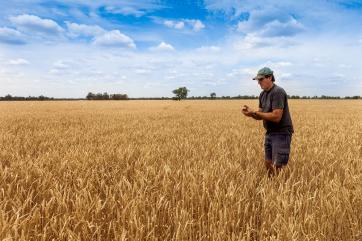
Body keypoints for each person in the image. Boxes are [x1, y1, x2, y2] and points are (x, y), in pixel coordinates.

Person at [241, 67, 294, 176]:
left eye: (261, 80)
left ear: (269, 77)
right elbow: (260, 115)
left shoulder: (278, 92)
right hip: (270, 133)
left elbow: (276, 116)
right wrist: (251, 114)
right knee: (268, 163)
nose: (259, 83)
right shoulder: (263, 94)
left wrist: (255, 112)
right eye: (258, 80)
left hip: (281, 133)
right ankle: (272, 189)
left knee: (278, 166)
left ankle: (281, 189)